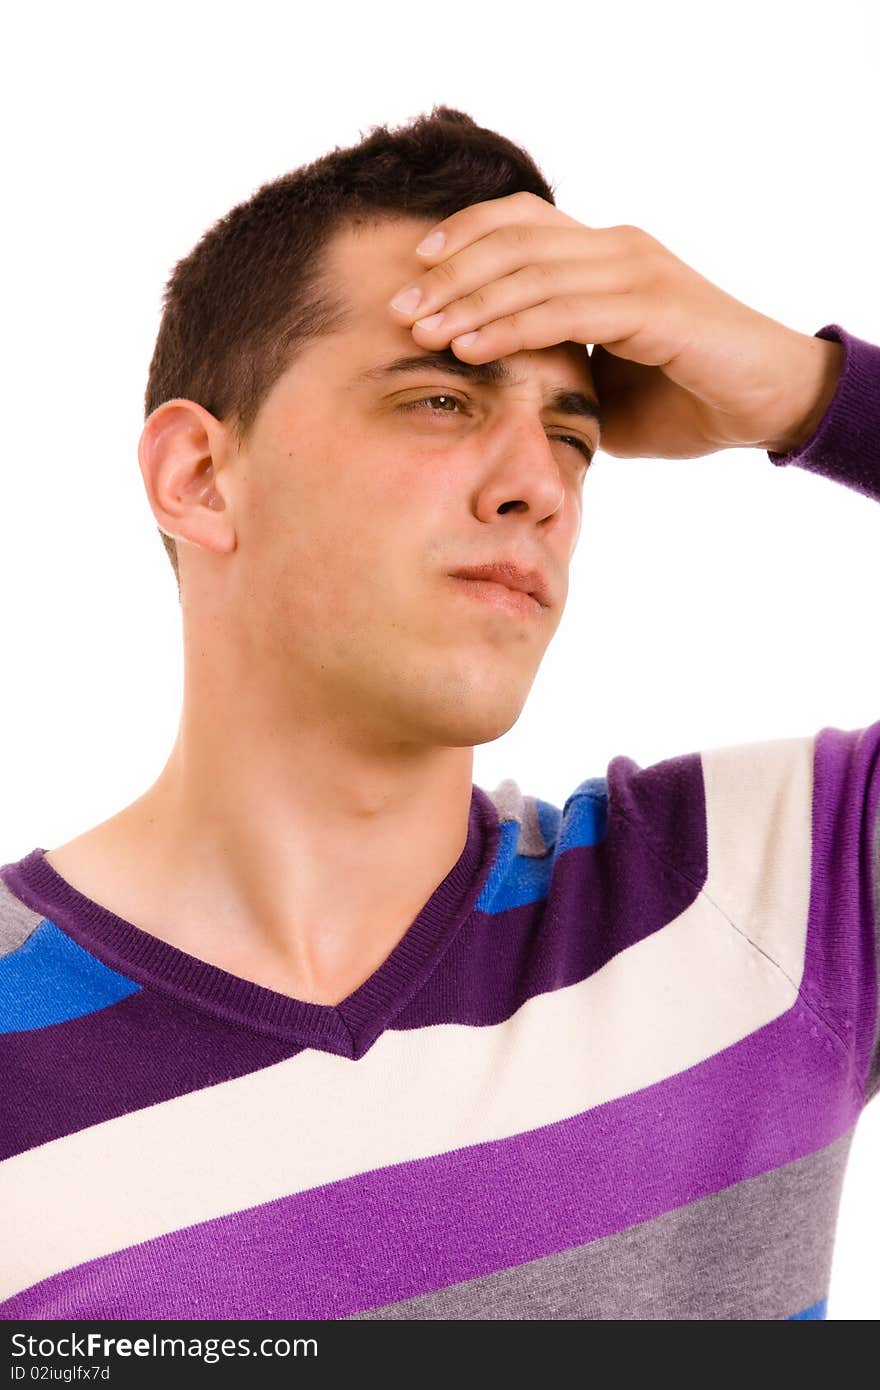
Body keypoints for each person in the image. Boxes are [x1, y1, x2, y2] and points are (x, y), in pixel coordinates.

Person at [0, 105, 876, 1323]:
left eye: (572, 437)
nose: (537, 486)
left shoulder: (763, 887)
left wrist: (809, 389)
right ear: (200, 477)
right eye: (441, 402)